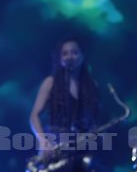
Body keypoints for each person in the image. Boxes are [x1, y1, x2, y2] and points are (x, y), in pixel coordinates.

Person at [28, 38, 100, 172]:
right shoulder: (50, 82)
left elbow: (93, 120)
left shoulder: (91, 86)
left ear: (82, 56)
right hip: (54, 147)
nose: (69, 57)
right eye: (65, 53)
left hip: (80, 149)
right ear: (59, 59)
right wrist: (43, 141)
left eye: (74, 52)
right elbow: (34, 116)